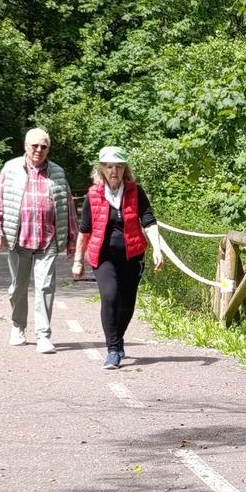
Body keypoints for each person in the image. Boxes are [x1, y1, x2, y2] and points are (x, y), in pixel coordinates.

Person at [71, 146, 163, 369]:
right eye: (110, 166)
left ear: (125, 169)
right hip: (103, 256)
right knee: (110, 296)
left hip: (133, 255)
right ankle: (113, 350)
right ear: (101, 169)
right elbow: (84, 230)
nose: (114, 171)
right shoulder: (93, 195)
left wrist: (158, 249)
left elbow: (149, 221)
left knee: (127, 303)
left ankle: (118, 340)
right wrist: (78, 260)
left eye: (119, 167)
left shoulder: (135, 192)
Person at [0, 128, 77, 354]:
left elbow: (68, 207)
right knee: (19, 287)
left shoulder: (57, 172)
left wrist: (72, 239)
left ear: (48, 149)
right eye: (34, 145)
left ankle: (43, 335)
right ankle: (18, 327)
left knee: (46, 287)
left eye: (43, 146)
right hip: (19, 240)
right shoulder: (11, 168)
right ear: (25, 146)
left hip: (48, 241)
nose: (39, 150)